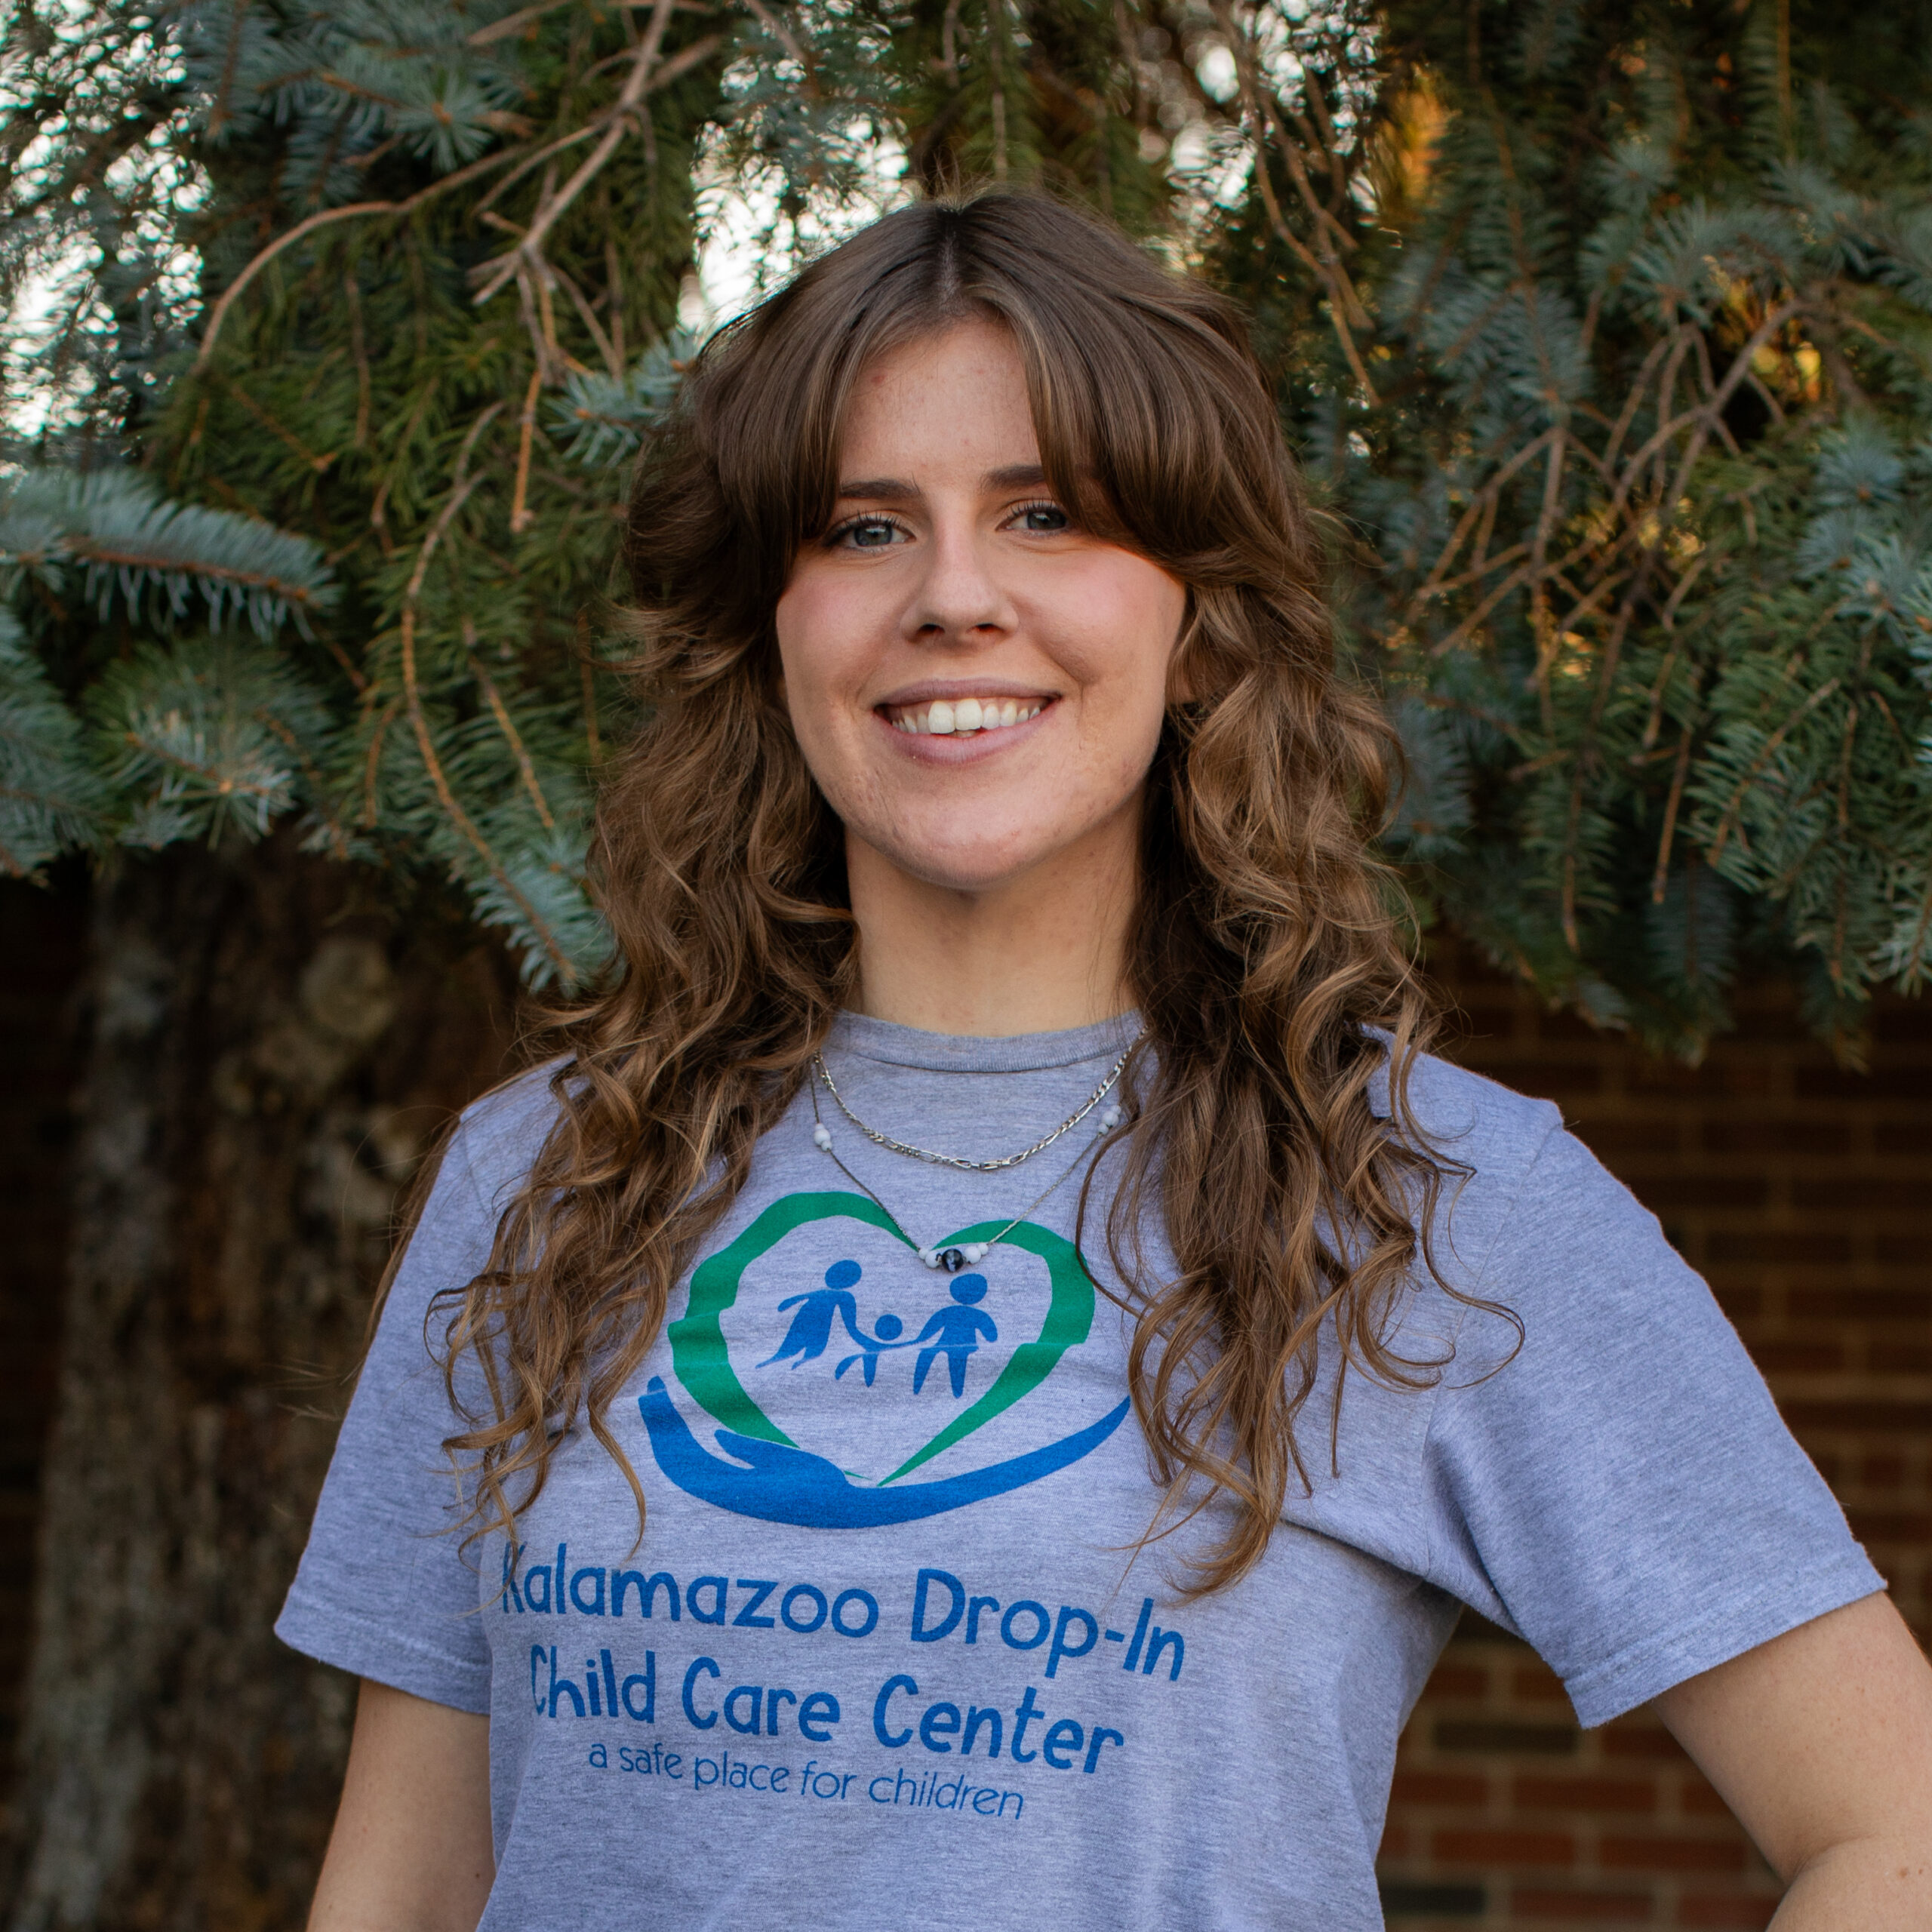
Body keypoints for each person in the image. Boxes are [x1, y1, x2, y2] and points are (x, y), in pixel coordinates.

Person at [280, 189, 1932, 1930]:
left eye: (1046, 513)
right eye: (862, 527)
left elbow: (1888, 1824)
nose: (952, 596)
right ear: (770, 626)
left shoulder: (1425, 1199)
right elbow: (403, 1888)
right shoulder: (550, 1174)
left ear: (1194, 616)